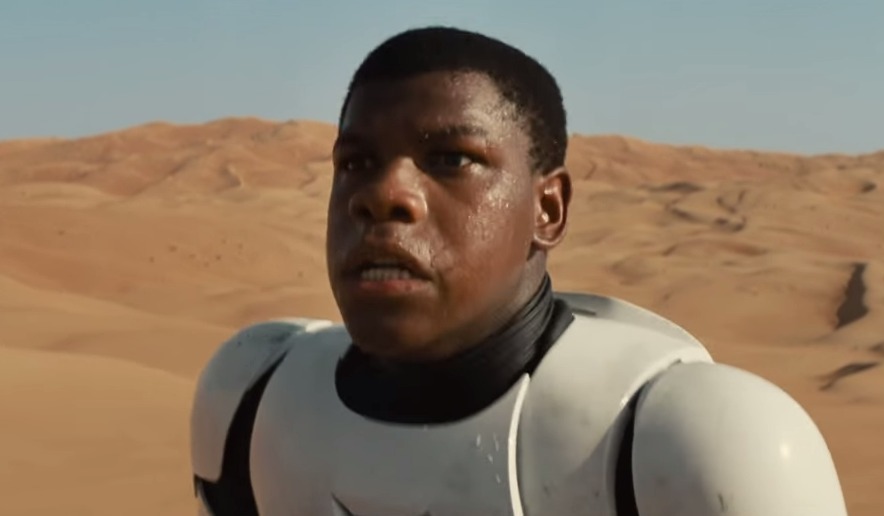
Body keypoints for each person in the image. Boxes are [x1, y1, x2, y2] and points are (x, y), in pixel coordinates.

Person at [190, 26, 848, 516]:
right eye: (355, 163)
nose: (384, 194)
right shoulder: (254, 397)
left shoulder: (697, 442)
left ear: (548, 209)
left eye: (452, 159)